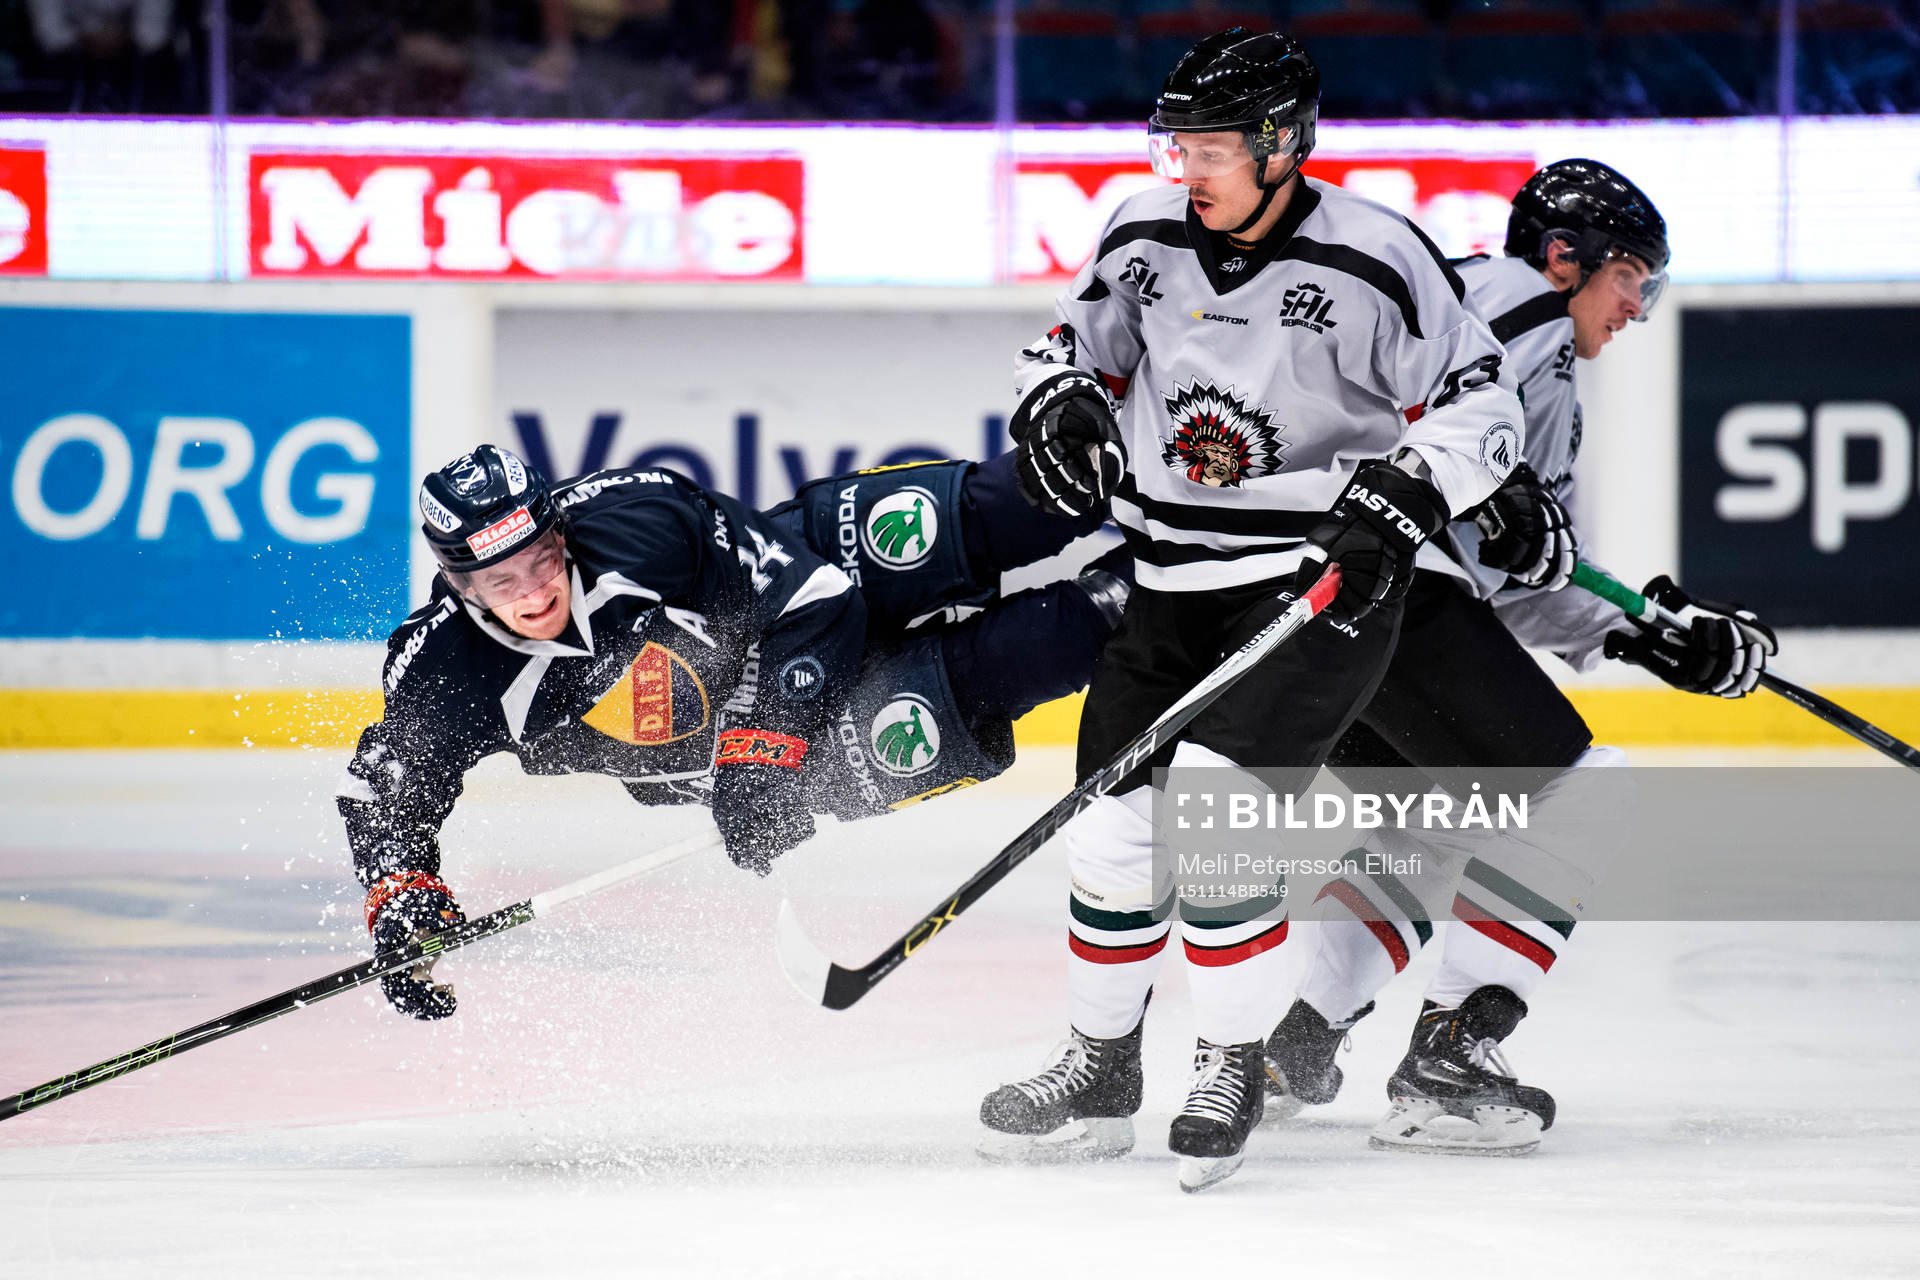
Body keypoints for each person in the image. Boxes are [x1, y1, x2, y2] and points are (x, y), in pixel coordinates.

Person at [973, 28, 1527, 1191]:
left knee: (1219, 813)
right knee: (1112, 831)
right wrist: (1061, 402)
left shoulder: (1379, 257)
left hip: (1314, 587)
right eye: (1177, 143)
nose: (1190, 167)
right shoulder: (1139, 232)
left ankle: (1228, 1061)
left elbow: (1482, 402)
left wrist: (1411, 483)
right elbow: (1067, 346)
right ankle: (1101, 1063)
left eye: (1214, 145)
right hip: (1167, 580)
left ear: (1284, 142)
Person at [1259, 159, 1779, 1154]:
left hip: (1320, 608)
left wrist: (1651, 632)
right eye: (1631, 274)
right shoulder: (1512, 305)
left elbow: (1527, 580)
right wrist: (1463, 485)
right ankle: (1449, 1058)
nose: (1637, 304)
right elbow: (1381, 418)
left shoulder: (1533, 364)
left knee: (1433, 825)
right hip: (1380, 585)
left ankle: (1294, 1043)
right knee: (1578, 791)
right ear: (1562, 256)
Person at [340, 445, 1124, 1021]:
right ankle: (1164, 607)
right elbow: (387, 788)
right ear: (456, 582)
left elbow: (818, 597)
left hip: (800, 588)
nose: (534, 590)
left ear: (560, 532)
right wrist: (402, 896)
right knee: (1037, 655)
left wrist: (765, 747)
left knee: (1022, 503)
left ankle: (1213, 492)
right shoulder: (444, 670)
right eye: (498, 582)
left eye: (542, 558)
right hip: (767, 760)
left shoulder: (640, 518)